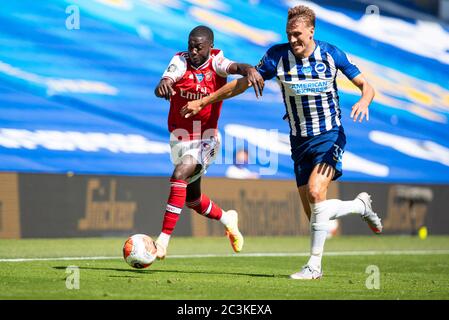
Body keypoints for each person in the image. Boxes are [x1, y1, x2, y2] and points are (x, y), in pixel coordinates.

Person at [180, 6, 383, 279]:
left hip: (329, 134)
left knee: (315, 192)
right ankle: (360, 206)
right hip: (299, 141)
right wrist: (204, 101)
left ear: (312, 31)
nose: (294, 41)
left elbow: (366, 86)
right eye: (289, 35)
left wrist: (364, 100)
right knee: (314, 212)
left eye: (298, 35)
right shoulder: (278, 55)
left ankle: (314, 267)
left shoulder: (331, 54)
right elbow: (242, 84)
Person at [153, 25, 264, 259]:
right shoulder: (180, 61)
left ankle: (161, 242)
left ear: (210, 47)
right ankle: (228, 218)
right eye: (190, 45)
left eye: (199, 47)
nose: (193, 51)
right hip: (180, 137)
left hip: (207, 138)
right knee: (192, 199)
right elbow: (165, 80)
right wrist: (162, 84)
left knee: (180, 173)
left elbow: (236, 67)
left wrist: (250, 70)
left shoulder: (216, 61)